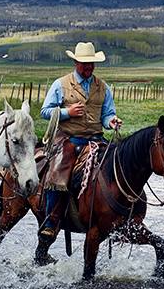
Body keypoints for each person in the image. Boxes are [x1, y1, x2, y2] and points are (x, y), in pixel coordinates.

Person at [37, 41, 123, 259]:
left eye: (91, 64)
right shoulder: (61, 84)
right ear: (76, 62)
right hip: (68, 138)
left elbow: (107, 114)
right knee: (59, 170)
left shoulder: (102, 87)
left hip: (95, 139)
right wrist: (67, 112)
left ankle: (116, 214)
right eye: (85, 63)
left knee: (117, 164)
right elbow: (45, 111)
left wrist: (112, 121)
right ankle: (51, 220)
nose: (89, 67)